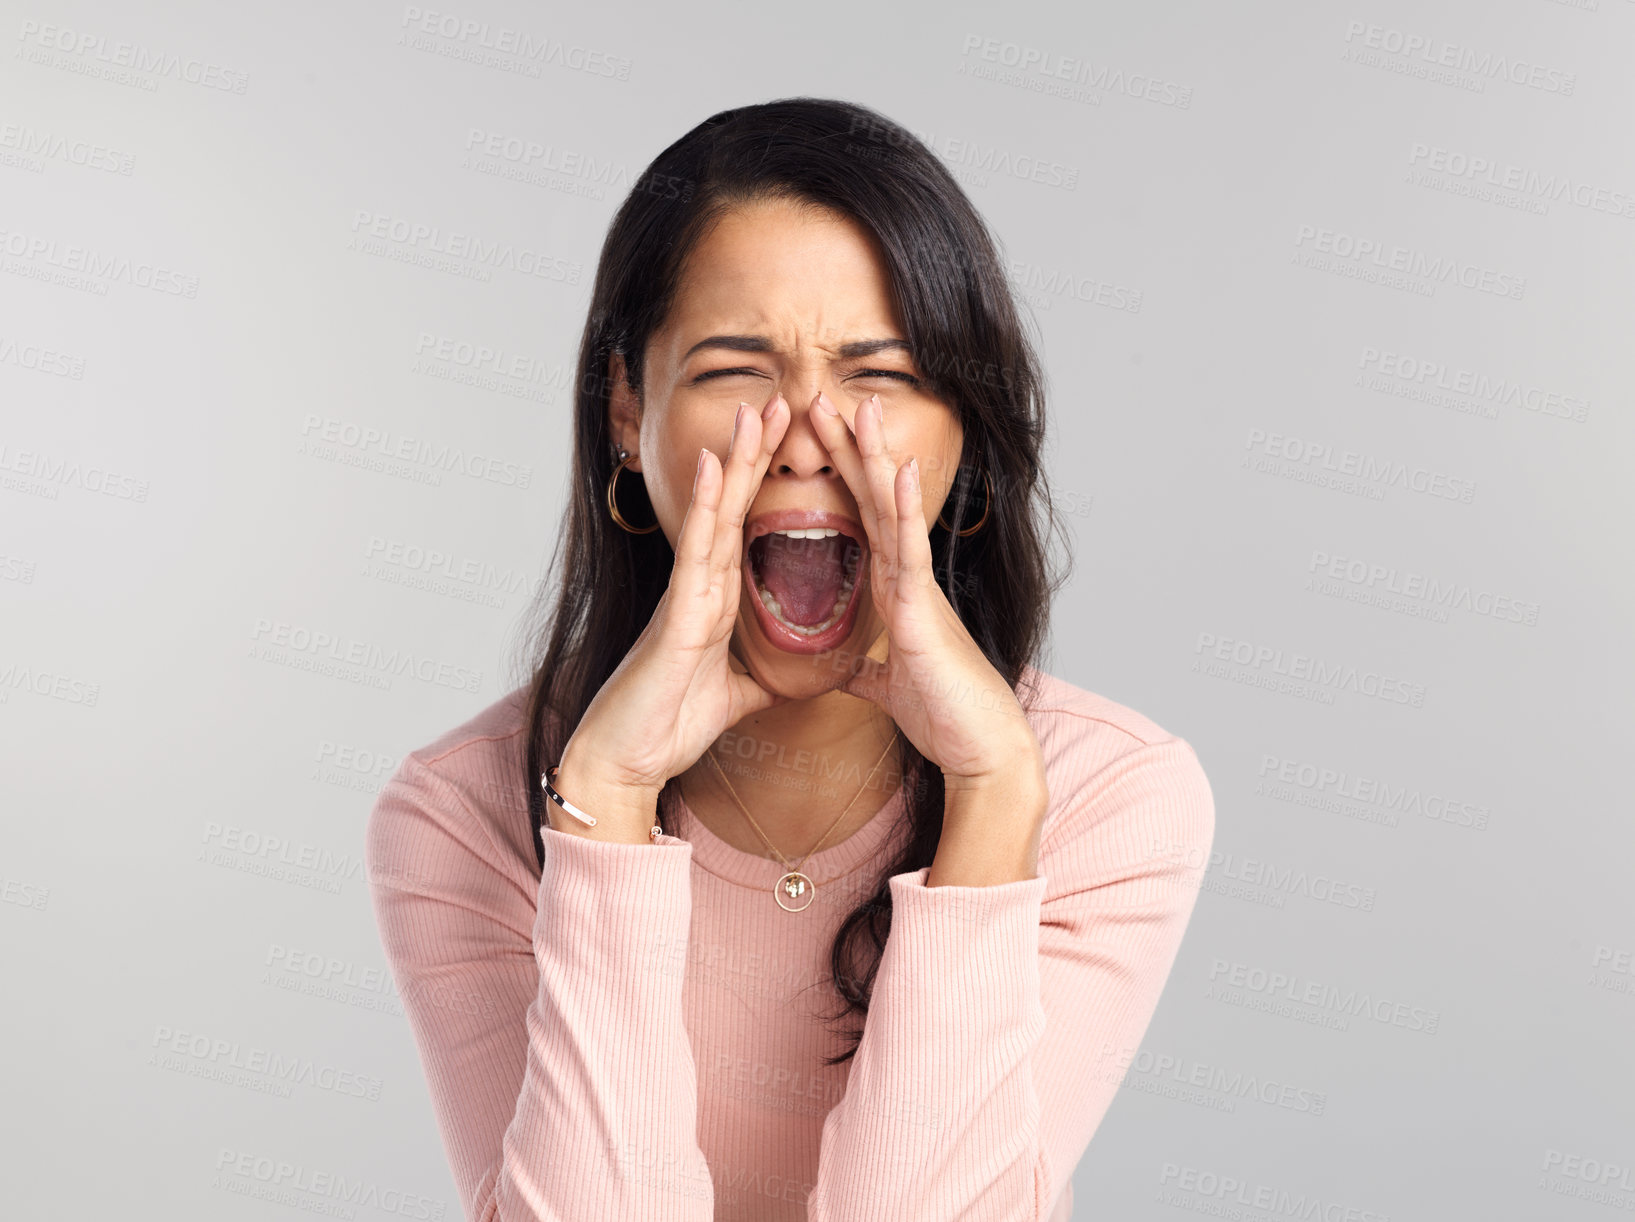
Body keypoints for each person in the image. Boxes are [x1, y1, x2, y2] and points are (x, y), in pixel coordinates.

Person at [365, 96, 1215, 1222]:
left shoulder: (1116, 798)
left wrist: (993, 802)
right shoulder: (461, 814)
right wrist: (606, 809)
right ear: (628, 407)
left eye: (882, 375)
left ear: (965, 425)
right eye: (737, 368)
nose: (810, 433)